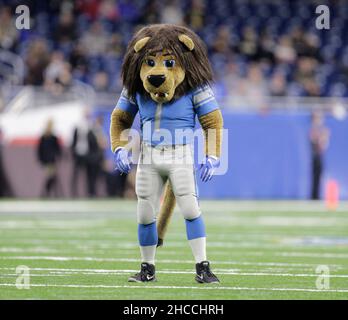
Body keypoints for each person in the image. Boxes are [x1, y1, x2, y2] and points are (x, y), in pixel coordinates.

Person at [37, 119, 62, 197]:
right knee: (50, 177)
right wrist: (41, 160)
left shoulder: (54, 138)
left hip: (52, 160)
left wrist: (56, 155)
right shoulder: (43, 138)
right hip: (46, 161)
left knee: (52, 177)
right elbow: (39, 150)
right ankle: (47, 192)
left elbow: (58, 149)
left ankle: (48, 193)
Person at [309, 111, 330, 200]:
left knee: (319, 176)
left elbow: (324, 145)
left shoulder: (321, 129)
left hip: (319, 156)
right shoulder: (313, 129)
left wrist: (324, 137)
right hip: (315, 156)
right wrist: (322, 137)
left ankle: (317, 195)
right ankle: (314, 196)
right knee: (315, 176)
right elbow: (314, 141)